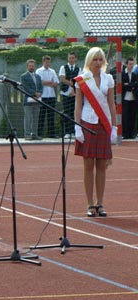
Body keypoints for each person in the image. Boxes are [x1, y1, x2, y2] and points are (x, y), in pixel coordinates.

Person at [74, 46, 117, 218]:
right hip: (87, 124)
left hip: (103, 125)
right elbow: (78, 105)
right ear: (89, 61)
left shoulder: (109, 79)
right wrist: (77, 127)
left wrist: (114, 127)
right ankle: (89, 203)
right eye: (95, 60)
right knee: (88, 165)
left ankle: (100, 203)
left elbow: (111, 104)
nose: (98, 63)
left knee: (102, 166)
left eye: (101, 60)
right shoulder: (82, 79)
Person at [36, 55, 60, 138]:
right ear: (43, 62)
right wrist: (49, 82)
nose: (47, 64)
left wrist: (47, 83)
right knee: (41, 116)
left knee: (51, 115)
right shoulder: (39, 71)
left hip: (51, 96)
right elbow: (39, 82)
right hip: (42, 96)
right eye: (46, 62)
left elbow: (56, 82)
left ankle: (51, 134)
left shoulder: (52, 71)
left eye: (49, 62)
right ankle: (39, 134)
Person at [58, 52, 79, 137]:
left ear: (75, 59)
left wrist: (73, 90)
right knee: (66, 112)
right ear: (68, 58)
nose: (71, 60)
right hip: (65, 93)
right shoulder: (63, 67)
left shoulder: (78, 68)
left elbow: (79, 81)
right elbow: (63, 79)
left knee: (74, 112)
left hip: (74, 94)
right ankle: (67, 132)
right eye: (70, 58)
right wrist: (71, 84)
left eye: (73, 58)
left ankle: (73, 131)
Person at [21, 59, 43, 140]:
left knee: (36, 118)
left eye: (33, 66)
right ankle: (27, 134)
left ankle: (34, 134)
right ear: (27, 67)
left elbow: (41, 87)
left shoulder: (38, 76)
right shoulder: (24, 76)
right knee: (28, 118)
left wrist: (40, 93)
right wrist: (34, 93)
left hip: (37, 101)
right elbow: (25, 87)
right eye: (30, 66)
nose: (31, 67)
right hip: (28, 101)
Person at [121, 57, 137, 139]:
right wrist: (131, 85)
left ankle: (132, 133)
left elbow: (136, 84)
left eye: (132, 64)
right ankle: (125, 133)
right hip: (125, 99)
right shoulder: (122, 74)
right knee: (125, 116)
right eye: (130, 64)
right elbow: (122, 86)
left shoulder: (134, 75)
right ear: (126, 64)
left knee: (132, 116)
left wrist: (129, 85)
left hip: (133, 99)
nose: (131, 66)